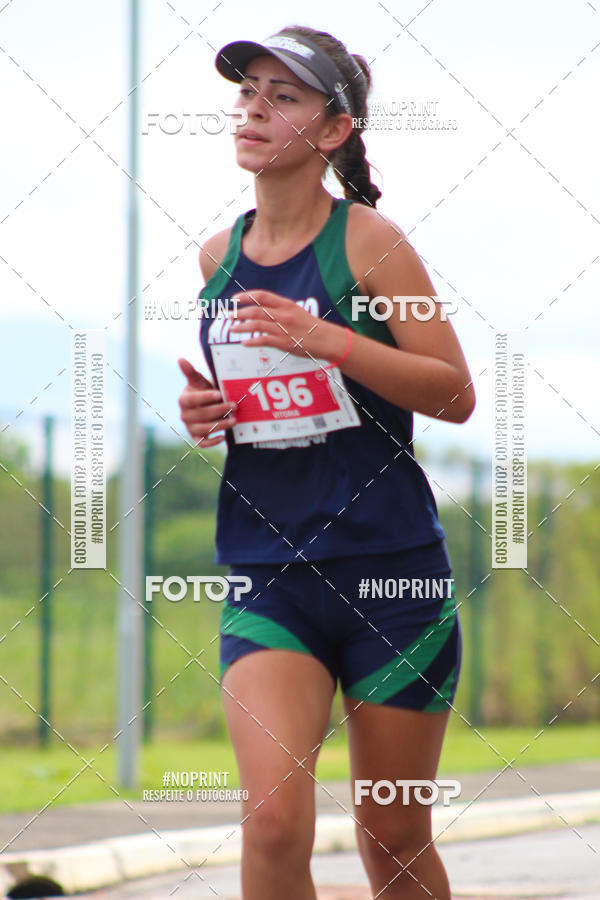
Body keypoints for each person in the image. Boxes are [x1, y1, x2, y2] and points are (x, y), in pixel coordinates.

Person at [178, 24, 476, 900]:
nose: (254, 109)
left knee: (392, 835)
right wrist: (210, 414)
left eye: (283, 96)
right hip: (271, 572)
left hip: (392, 573)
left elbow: (453, 392)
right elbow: (264, 399)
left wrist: (329, 339)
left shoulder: (370, 243)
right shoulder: (216, 257)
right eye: (246, 93)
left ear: (335, 130)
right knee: (272, 824)